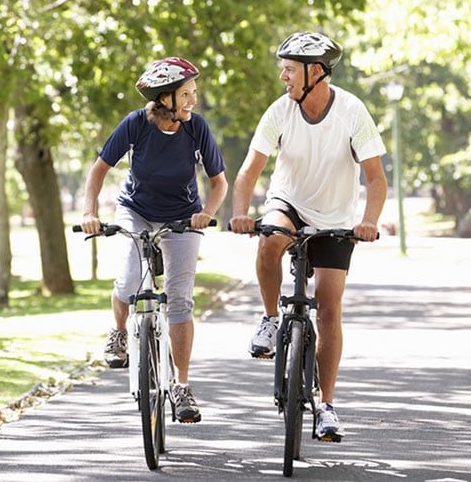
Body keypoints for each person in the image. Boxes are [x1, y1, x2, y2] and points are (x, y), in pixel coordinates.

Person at [229, 32, 387, 441]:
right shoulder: (280, 112)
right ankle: (268, 319)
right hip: (290, 203)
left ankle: (328, 406)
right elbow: (249, 171)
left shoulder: (352, 111)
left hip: (335, 218)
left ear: (315, 72)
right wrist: (240, 213)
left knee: (330, 308)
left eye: (290, 69)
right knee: (270, 241)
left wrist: (367, 221)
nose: (283, 76)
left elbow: (375, 178)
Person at [81, 57, 228, 423]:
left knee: (179, 299)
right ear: (165, 98)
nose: (193, 100)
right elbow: (99, 170)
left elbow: (219, 182)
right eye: (187, 94)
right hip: (137, 211)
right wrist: (89, 213)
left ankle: (181, 386)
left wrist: (206, 213)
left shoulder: (197, 129)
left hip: (183, 216)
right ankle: (118, 333)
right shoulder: (135, 125)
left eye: (194, 92)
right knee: (130, 280)